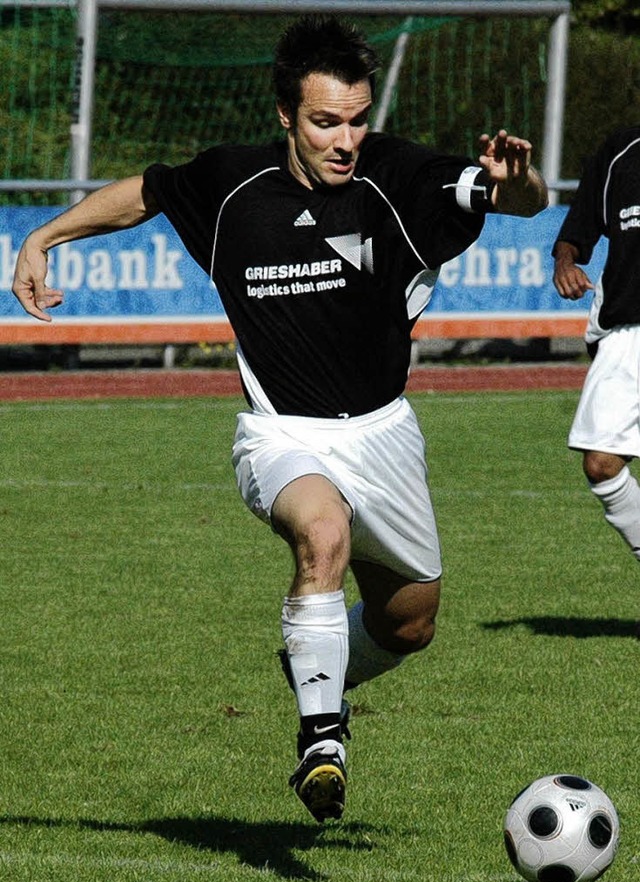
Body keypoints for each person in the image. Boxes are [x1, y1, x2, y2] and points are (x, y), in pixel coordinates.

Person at [12, 15, 548, 823]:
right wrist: (46, 236)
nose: (345, 139)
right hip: (281, 434)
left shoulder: (396, 176)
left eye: (357, 119)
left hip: (384, 432)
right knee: (322, 536)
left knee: (410, 624)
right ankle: (322, 742)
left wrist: (518, 180)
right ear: (285, 118)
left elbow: (510, 198)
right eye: (325, 122)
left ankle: (313, 658)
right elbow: (144, 194)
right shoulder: (231, 185)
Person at [553, 125, 640, 564]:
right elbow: (577, 228)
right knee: (601, 463)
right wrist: (565, 261)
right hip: (628, 330)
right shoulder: (620, 152)